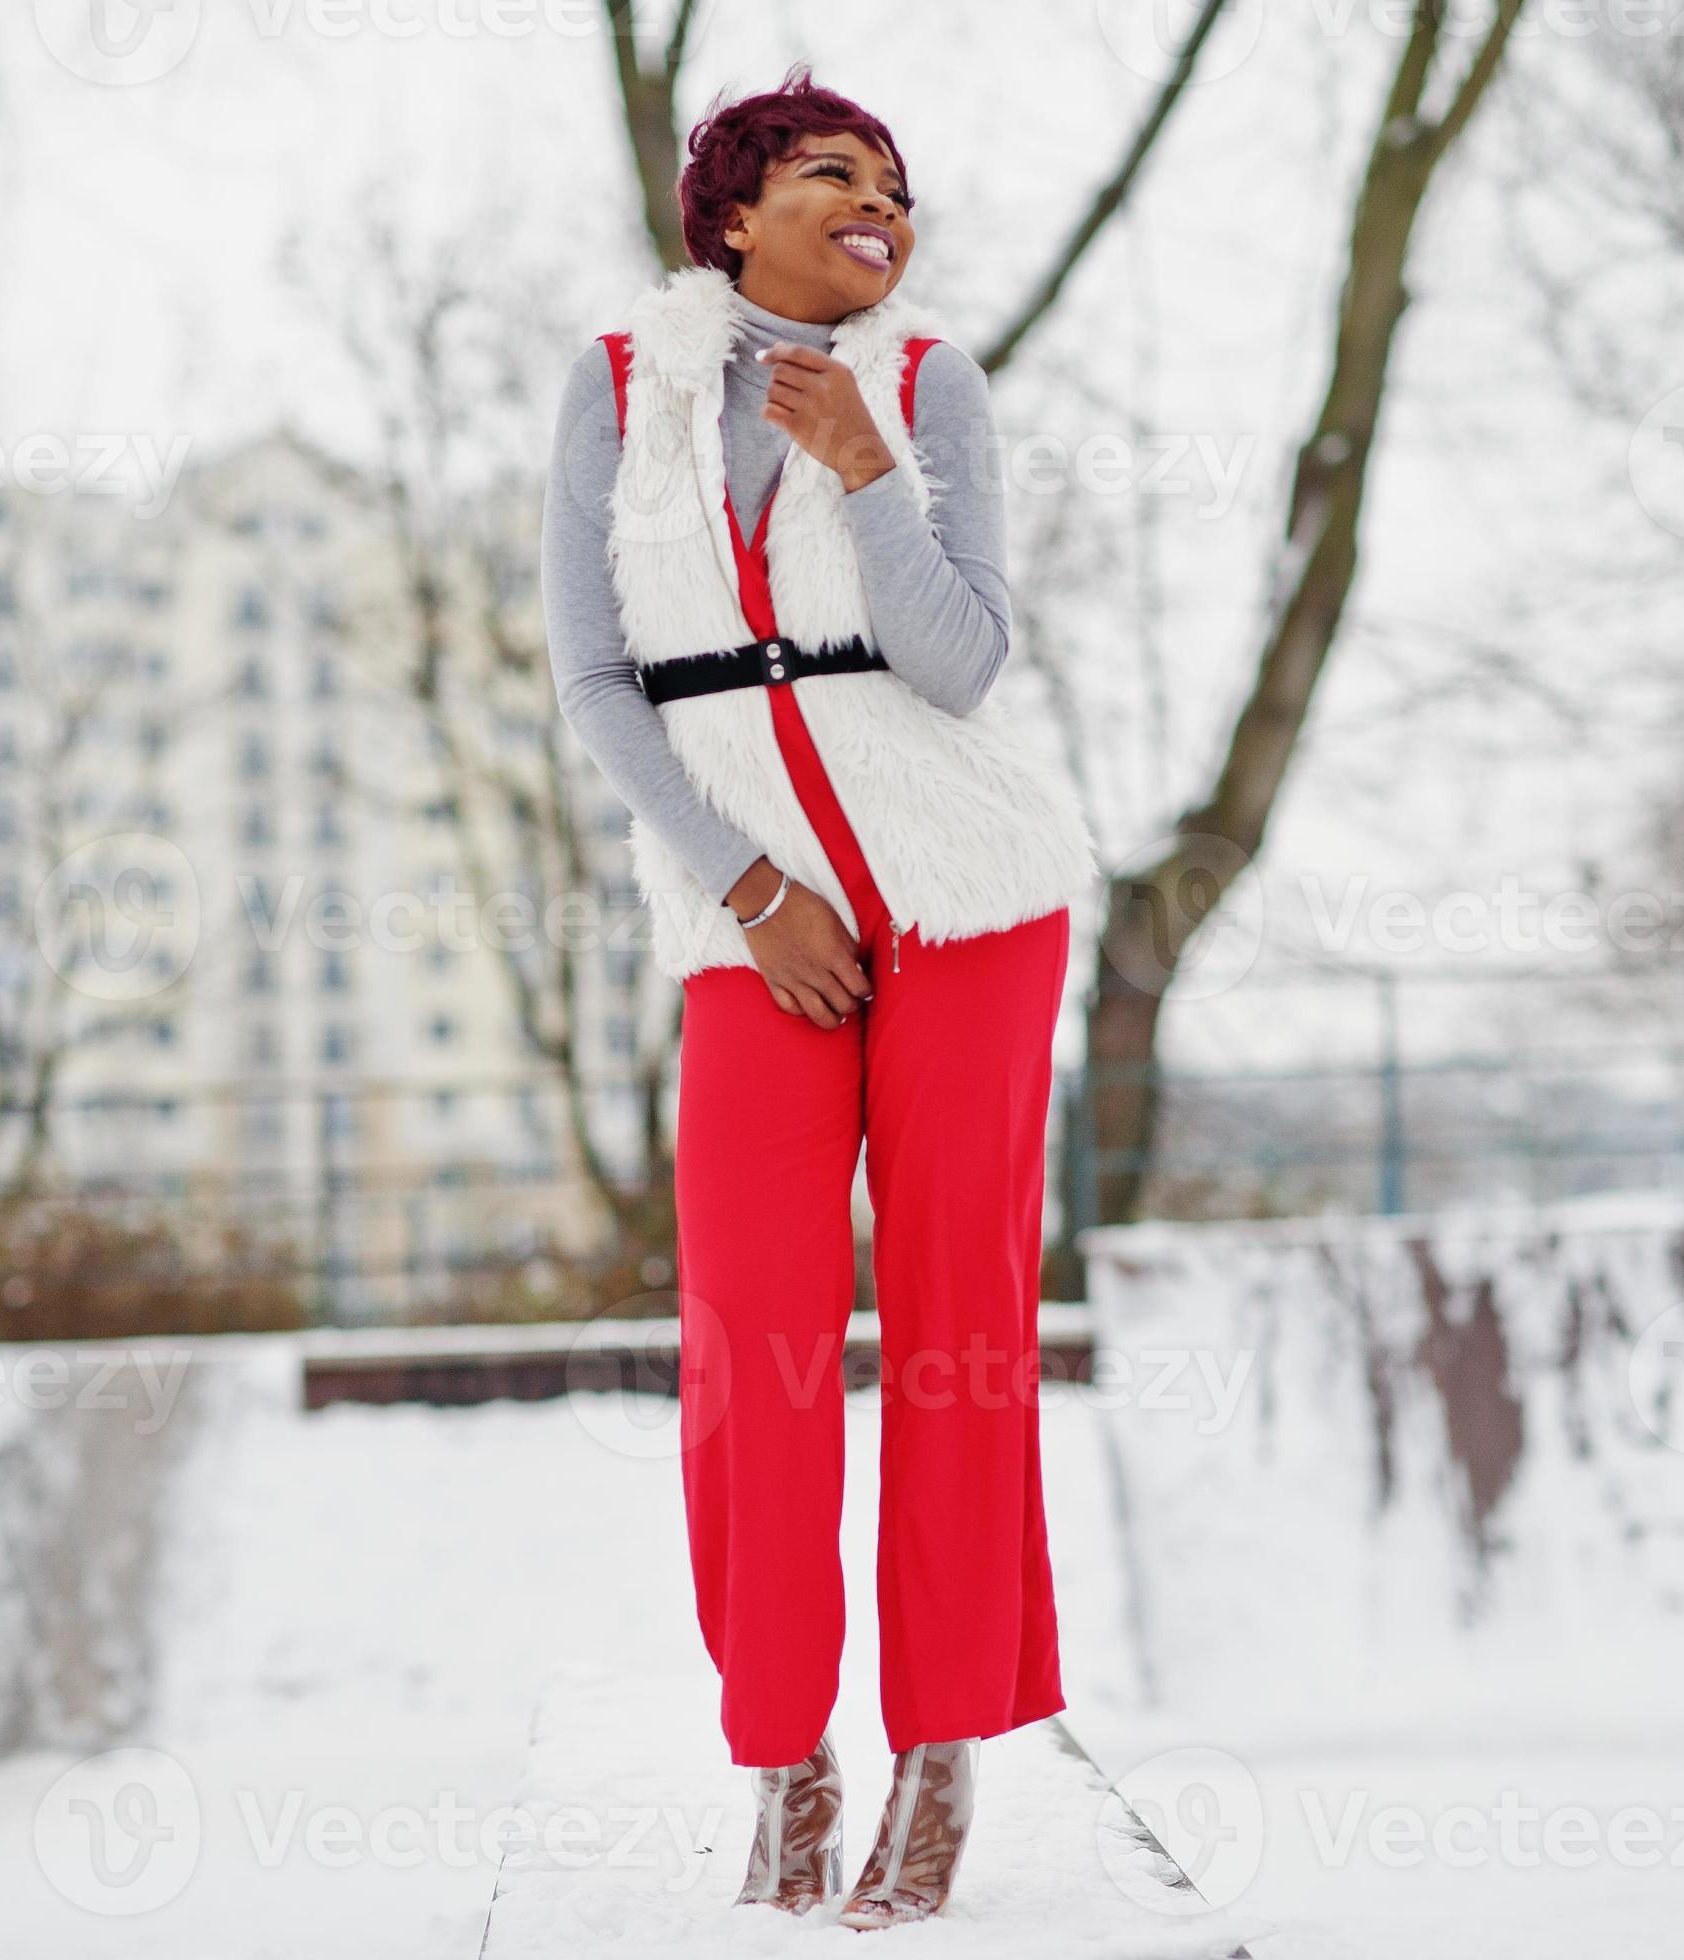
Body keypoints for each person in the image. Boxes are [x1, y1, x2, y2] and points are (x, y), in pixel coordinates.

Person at [540, 67, 1097, 1930]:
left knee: (956, 1337)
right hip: (754, 928)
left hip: (966, 909)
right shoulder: (621, 391)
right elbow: (599, 684)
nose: (879, 207)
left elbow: (958, 667)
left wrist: (869, 464)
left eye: (896, 186)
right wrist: (750, 886)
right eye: (831, 176)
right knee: (752, 1352)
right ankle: (787, 1763)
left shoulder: (932, 390)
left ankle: (944, 1764)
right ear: (731, 214)